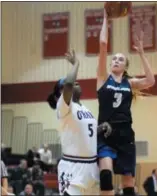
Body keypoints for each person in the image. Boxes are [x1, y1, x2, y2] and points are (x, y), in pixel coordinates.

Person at [97, 9, 155, 195]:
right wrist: (106, 18)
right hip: (106, 132)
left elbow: (151, 81)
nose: (115, 60)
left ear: (125, 66)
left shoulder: (129, 83)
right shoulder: (103, 78)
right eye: (114, 58)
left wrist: (142, 54)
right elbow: (103, 44)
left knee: (128, 184)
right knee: (106, 174)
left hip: (125, 136)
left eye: (120, 59)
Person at [47, 49, 112, 196]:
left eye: (76, 82)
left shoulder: (84, 108)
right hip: (73, 167)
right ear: (61, 93)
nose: (74, 82)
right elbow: (69, 83)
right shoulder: (63, 106)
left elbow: (88, 134)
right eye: (68, 83)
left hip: (91, 167)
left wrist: (102, 127)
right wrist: (76, 63)